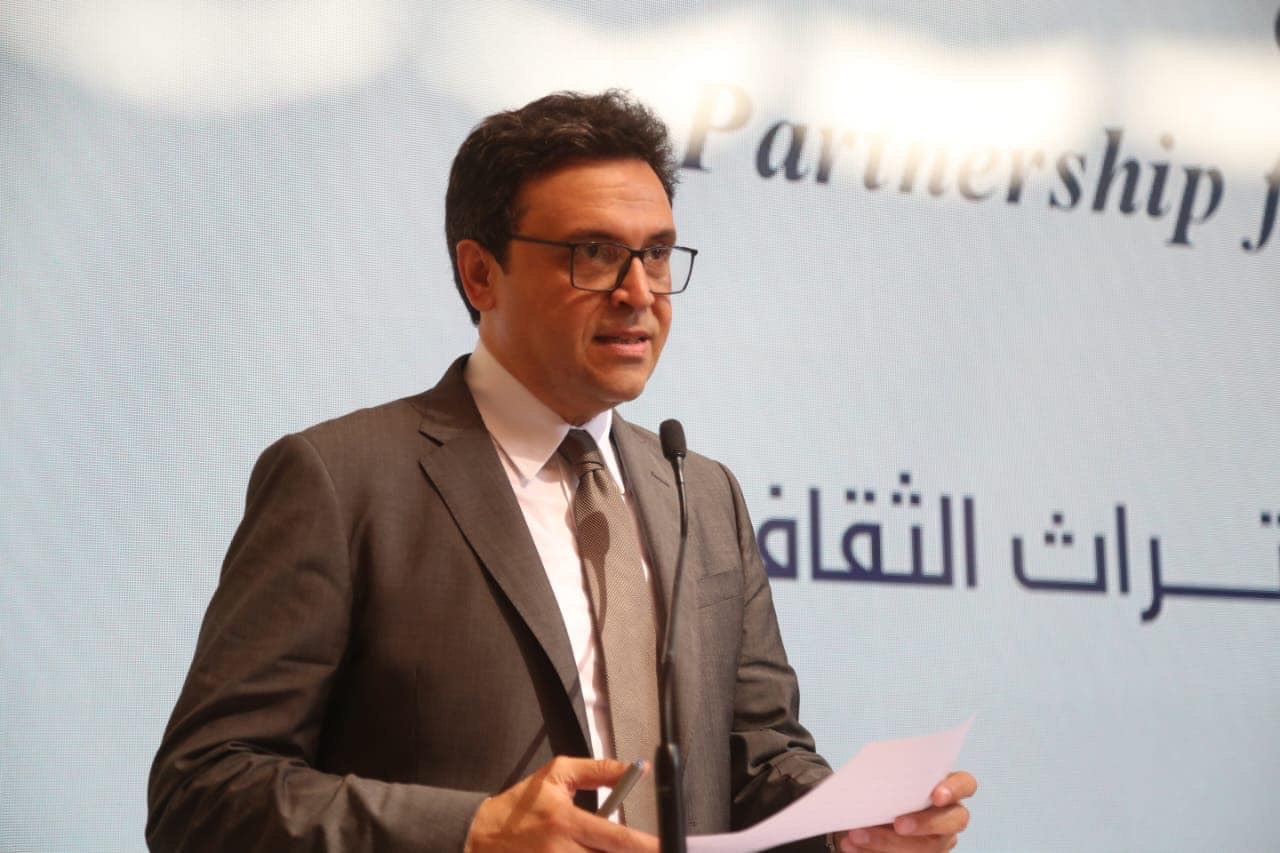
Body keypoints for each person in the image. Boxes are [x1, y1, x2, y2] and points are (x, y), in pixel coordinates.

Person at [147, 90, 976, 853]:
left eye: (657, 254)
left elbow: (756, 757)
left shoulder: (700, 491)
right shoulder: (344, 479)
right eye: (593, 253)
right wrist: (472, 831)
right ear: (481, 273)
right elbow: (202, 789)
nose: (638, 292)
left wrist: (844, 824)